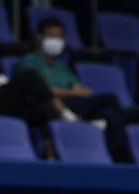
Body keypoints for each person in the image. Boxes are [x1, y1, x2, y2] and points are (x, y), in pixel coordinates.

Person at [16, 16, 128, 161]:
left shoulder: (61, 65)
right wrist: (72, 92)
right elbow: (39, 89)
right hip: (45, 106)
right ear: (39, 38)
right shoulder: (29, 61)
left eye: (60, 37)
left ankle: (116, 153)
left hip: (71, 104)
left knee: (109, 114)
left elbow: (76, 86)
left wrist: (79, 90)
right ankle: (121, 153)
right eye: (52, 36)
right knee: (109, 100)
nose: (56, 41)